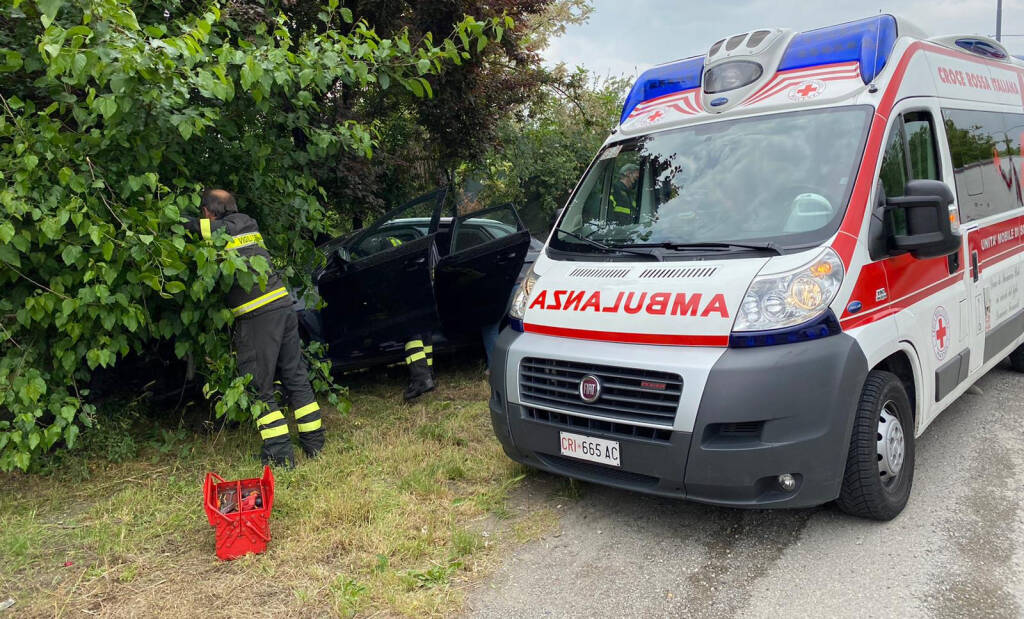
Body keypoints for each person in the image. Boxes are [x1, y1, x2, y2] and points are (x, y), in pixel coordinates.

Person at [185, 189, 324, 467]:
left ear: (210, 212)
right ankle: (314, 444)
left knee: (258, 387)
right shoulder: (248, 222)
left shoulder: (220, 229)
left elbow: (188, 227)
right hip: (283, 307)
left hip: (259, 315)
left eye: (204, 211)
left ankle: (279, 454)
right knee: (295, 376)